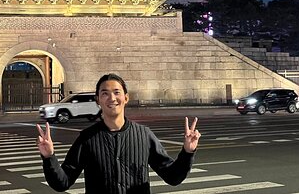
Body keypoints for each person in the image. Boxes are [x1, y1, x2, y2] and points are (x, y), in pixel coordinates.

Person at [37, 73, 201, 193]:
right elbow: (63, 182)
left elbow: (172, 177)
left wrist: (187, 152)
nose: (112, 98)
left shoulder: (144, 135)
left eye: (116, 92)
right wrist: (49, 157)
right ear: (98, 100)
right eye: (105, 93)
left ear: (126, 98)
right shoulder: (87, 138)